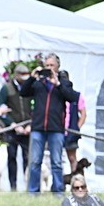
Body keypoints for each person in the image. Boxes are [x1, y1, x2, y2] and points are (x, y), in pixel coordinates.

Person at [20, 53, 78, 193]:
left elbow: (72, 97)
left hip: (56, 128)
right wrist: (32, 77)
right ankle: (33, 192)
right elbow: (23, 92)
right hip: (38, 127)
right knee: (35, 162)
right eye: (47, 66)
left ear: (58, 67)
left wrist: (57, 84)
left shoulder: (64, 83)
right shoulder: (38, 83)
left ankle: (58, 191)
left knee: (57, 162)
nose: (49, 68)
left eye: (52, 65)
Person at [0, 63, 33, 191]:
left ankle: (26, 185)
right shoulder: (6, 88)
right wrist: (11, 123)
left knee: (27, 157)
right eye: (22, 75)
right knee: (11, 156)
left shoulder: (29, 88)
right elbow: (0, 109)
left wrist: (29, 124)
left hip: (27, 129)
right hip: (12, 130)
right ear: (16, 75)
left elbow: (34, 108)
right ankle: (13, 186)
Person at [59, 70, 87, 173]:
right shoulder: (57, 94)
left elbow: (83, 113)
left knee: (72, 158)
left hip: (71, 131)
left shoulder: (76, 95)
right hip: (58, 129)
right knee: (55, 158)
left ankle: (75, 180)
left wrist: (77, 127)